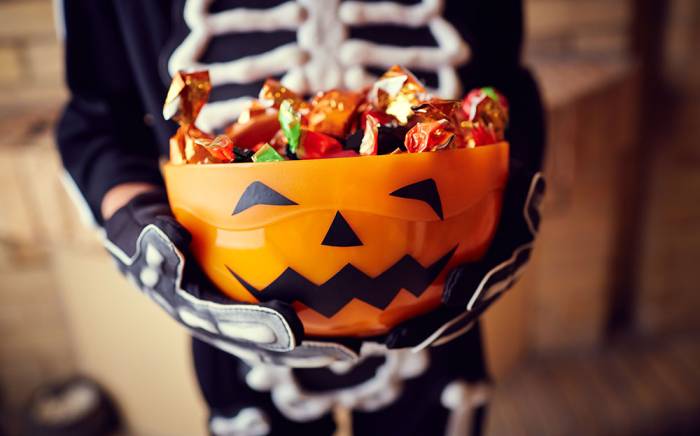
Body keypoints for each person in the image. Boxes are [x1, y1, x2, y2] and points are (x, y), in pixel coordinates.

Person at [56, 1, 545, 435]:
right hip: (236, 324)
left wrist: (508, 205)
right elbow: (97, 123)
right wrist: (141, 232)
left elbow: (507, 86)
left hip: (441, 299)